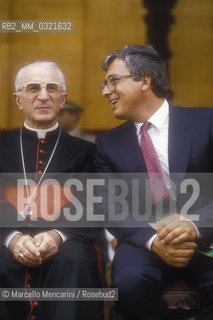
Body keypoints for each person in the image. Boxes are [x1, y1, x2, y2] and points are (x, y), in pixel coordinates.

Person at [95, 45, 213, 319]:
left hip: (206, 236)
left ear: (145, 80)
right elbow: (107, 205)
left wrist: (193, 226)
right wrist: (152, 241)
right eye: (104, 84)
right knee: (129, 285)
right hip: (142, 242)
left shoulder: (206, 122)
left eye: (113, 81)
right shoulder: (107, 144)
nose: (104, 91)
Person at [0, 61, 103, 320]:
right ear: (18, 99)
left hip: (67, 242)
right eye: (33, 88)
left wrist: (58, 235)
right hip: (4, 239)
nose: (43, 95)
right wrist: (12, 238)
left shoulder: (87, 152)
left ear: (63, 98)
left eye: (52, 88)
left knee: (76, 259)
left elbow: (94, 203)